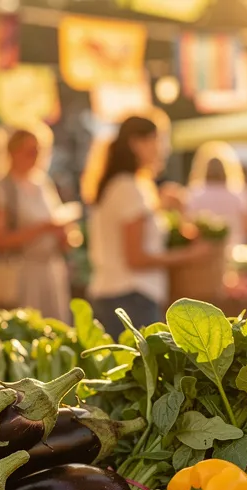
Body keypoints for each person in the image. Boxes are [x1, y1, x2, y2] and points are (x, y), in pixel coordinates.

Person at [84, 115, 211, 336]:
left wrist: (162, 207)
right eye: (158, 140)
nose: (163, 149)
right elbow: (136, 258)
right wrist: (190, 255)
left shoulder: (124, 185)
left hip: (120, 296)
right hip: (130, 299)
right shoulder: (128, 187)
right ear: (136, 143)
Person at [0, 127, 72, 321]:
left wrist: (63, 235)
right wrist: (42, 228)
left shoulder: (43, 183)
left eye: (39, 150)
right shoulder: (0, 187)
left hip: (49, 271)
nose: (35, 156)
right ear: (13, 152)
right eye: (29, 151)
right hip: (20, 275)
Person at [185, 142, 247, 250]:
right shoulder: (239, 193)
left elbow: (188, 224)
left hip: (204, 252)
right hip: (235, 248)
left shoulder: (194, 193)